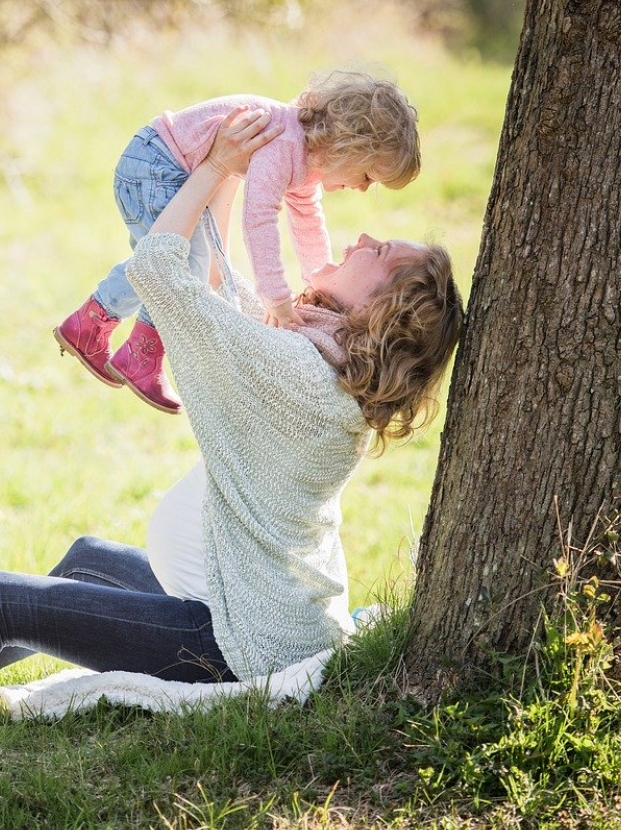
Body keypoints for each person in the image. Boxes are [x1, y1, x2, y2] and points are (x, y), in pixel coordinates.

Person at [0, 109, 462, 685]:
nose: (363, 237)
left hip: (232, 643)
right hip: (228, 607)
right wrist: (234, 168)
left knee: (5, 600)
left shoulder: (301, 375)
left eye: (379, 252)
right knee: (87, 559)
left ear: (381, 310)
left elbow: (161, 272)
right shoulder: (318, 357)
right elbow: (217, 286)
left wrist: (215, 165)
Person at [53, 70, 421, 415]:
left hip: (163, 165)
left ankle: (92, 326)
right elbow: (258, 218)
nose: (361, 188)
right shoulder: (286, 144)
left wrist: (317, 280)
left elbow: (308, 221)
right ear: (348, 147)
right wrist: (276, 297)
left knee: (175, 261)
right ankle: (138, 352)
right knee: (175, 263)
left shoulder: (306, 158)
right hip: (155, 165)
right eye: (368, 175)